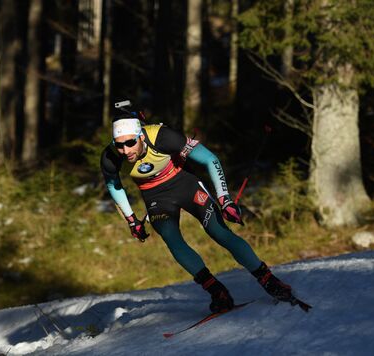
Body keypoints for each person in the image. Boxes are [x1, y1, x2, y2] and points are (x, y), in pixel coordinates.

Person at [100, 113, 294, 313]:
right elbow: (114, 186)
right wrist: (132, 220)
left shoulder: (163, 137)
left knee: (219, 232)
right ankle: (217, 291)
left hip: (185, 183)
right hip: (155, 196)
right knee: (172, 238)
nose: (125, 150)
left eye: (130, 143)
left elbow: (210, 159)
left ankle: (268, 280)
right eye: (119, 144)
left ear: (140, 136)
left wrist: (225, 199)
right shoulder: (110, 156)